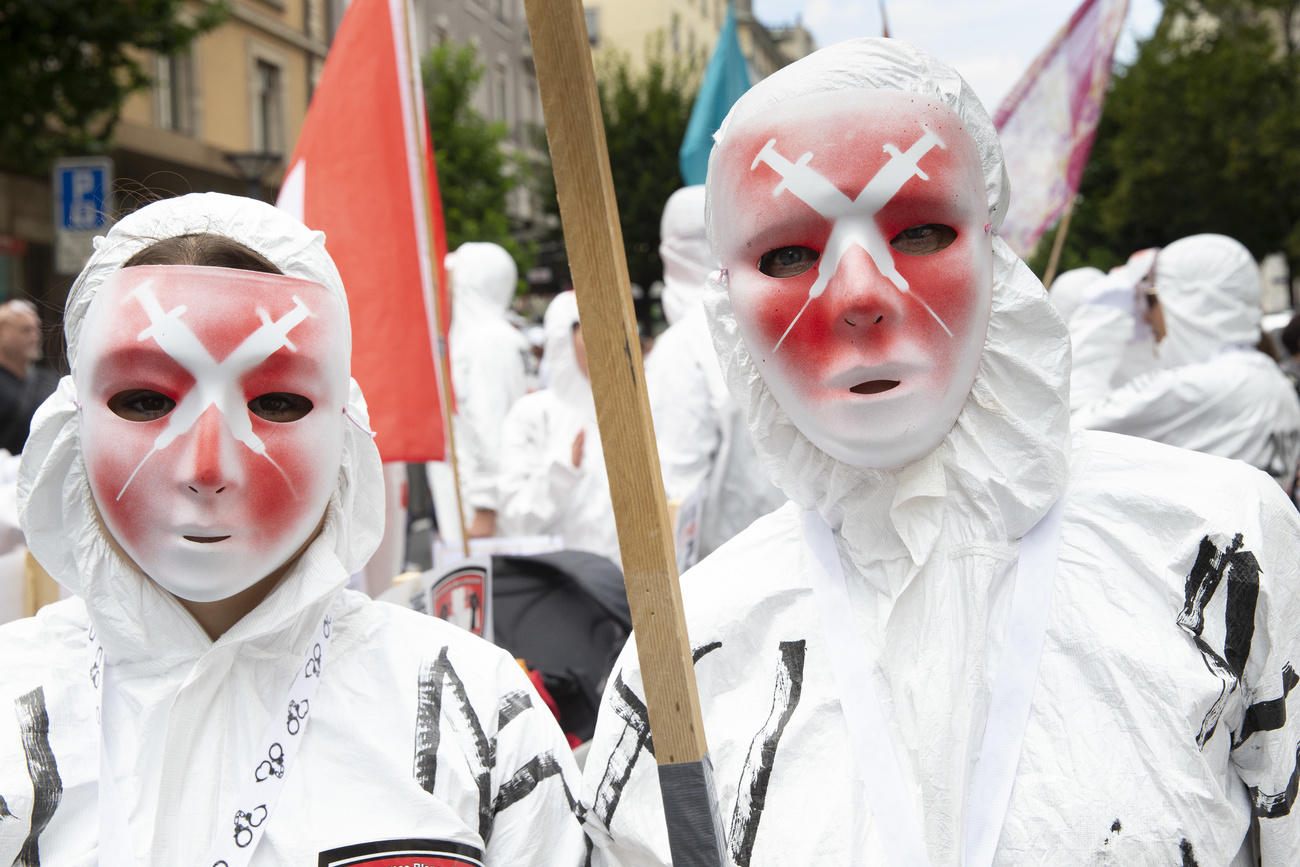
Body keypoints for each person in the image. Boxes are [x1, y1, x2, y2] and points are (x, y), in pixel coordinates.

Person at [581, 39, 1300, 866]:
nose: (859, 294)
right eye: (788, 253)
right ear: (726, 306)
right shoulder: (689, 653)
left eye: (919, 230)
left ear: (996, 254)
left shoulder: (1214, 551)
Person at [0, 193, 585, 865]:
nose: (207, 467)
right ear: (69, 427)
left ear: (345, 427)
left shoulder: (478, 715)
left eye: (276, 401)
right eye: (146, 399)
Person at [1075, 234, 1300, 495]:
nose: (1146, 317)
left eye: (1152, 299)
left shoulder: (1198, 386)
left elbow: (1068, 434)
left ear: (1189, 302)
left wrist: (1103, 318)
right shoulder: (1270, 377)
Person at [645, 186, 785, 564]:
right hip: (801, 565)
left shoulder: (682, 348)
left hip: (721, 575)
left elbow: (675, 492)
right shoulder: (779, 326)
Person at [497, 291, 620, 564]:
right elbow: (516, 518)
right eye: (589, 329)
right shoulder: (532, 415)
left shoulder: (632, 411)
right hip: (563, 581)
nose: (603, 340)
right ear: (562, 337)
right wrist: (562, 471)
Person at [431, 242, 531, 540]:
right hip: (489, 502)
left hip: (484, 517)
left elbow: (490, 425)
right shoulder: (499, 336)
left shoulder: (481, 342)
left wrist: (485, 510)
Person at [0, 300, 57, 455]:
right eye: (26, 330)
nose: (36, 336)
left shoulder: (48, 379)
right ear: (2, 336)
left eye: (37, 329)